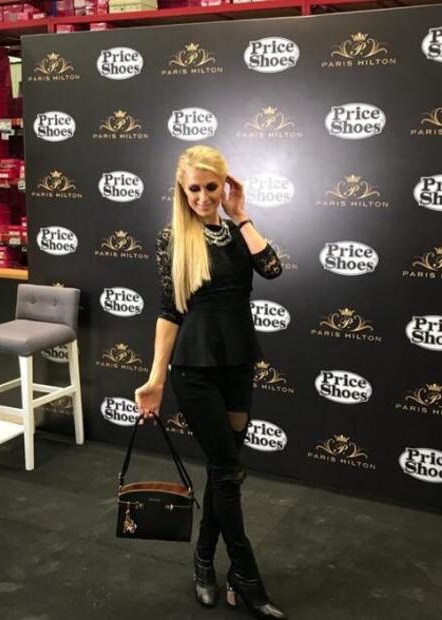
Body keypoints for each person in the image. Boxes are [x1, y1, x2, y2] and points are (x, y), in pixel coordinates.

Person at [135, 145, 286, 619]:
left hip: (238, 365)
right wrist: (155, 378)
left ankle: (204, 560)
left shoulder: (238, 233)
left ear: (225, 185)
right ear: (182, 190)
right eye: (194, 189)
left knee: (225, 471)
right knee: (227, 470)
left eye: (211, 187)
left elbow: (273, 268)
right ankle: (245, 574)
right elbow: (168, 311)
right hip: (194, 369)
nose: (202, 197)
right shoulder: (173, 239)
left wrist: (241, 215)